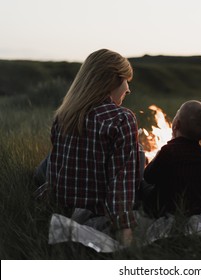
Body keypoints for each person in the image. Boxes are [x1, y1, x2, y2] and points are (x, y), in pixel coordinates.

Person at [47, 49, 140, 246]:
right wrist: (126, 237)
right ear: (113, 79)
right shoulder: (122, 118)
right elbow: (120, 181)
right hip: (98, 214)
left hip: (65, 209)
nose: (128, 89)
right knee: (141, 162)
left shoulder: (62, 116)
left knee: (45, 163)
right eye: (126, 81)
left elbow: (54, 172)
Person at [142, 100, 201, 218]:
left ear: (176, 125)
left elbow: (149, 176)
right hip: (195, 208)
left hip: (167, 208)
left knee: (143, 185)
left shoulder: (168, 150)